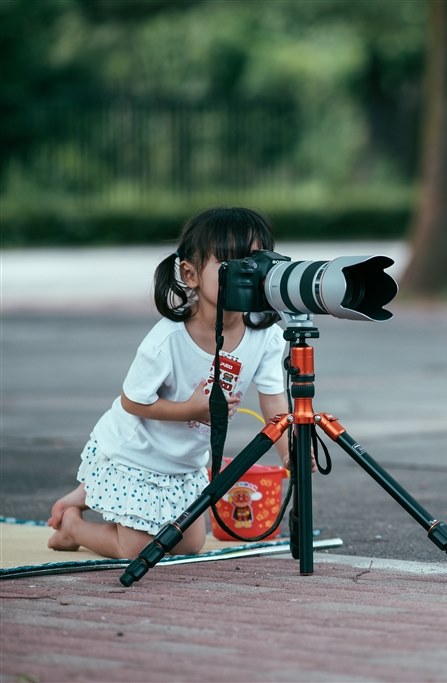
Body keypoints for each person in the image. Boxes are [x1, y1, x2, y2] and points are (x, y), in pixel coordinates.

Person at [47, 207, 290, 559]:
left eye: (254, 262)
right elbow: (132, 401)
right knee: (138, 548)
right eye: (229, 265)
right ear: (190, 275)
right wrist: (190, 410)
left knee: (189, 544)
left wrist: (288, 452)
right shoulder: (167, 340)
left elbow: (274, 400)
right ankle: (73, 526)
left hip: (183, 462)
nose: (245, 274)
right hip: (136, 453)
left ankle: (85, 494)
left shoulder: (266, 335)